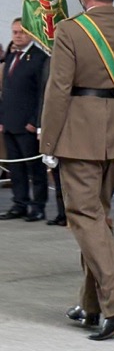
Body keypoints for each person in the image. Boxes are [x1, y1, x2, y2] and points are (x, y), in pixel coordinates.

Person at [39, 0, 114, 340]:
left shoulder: (71, 30)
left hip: (78, 133)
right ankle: (91, 304)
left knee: (84, 216)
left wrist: (48, 141)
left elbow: (59, 88)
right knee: (99, 216)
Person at [0, 18, 49, 222]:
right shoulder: (11, 56)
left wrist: (35, 121)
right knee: (15, 168)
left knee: (34, 168)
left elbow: (42, 94)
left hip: (27, 124)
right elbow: (6, 91)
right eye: (14, 32)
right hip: (10, 122)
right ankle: (19, 203)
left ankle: (38, 206)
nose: (17, 36)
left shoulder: (39, 58)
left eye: (21, 32)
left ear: (31, 34)